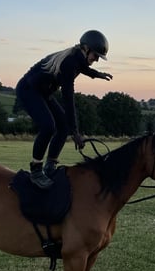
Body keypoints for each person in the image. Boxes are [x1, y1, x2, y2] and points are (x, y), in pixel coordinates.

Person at [15, 30, 113, 188]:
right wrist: (75, 132)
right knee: (48, 126)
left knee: (63, 126)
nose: (96, 60)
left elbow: (83, 68)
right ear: (85, 48)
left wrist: (97, 74)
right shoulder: (69, 63)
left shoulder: (76, 58)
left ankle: (50, 165)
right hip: (29, 90)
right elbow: (68, 99)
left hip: (43, 92)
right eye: (95, 56)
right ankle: (36, 171)